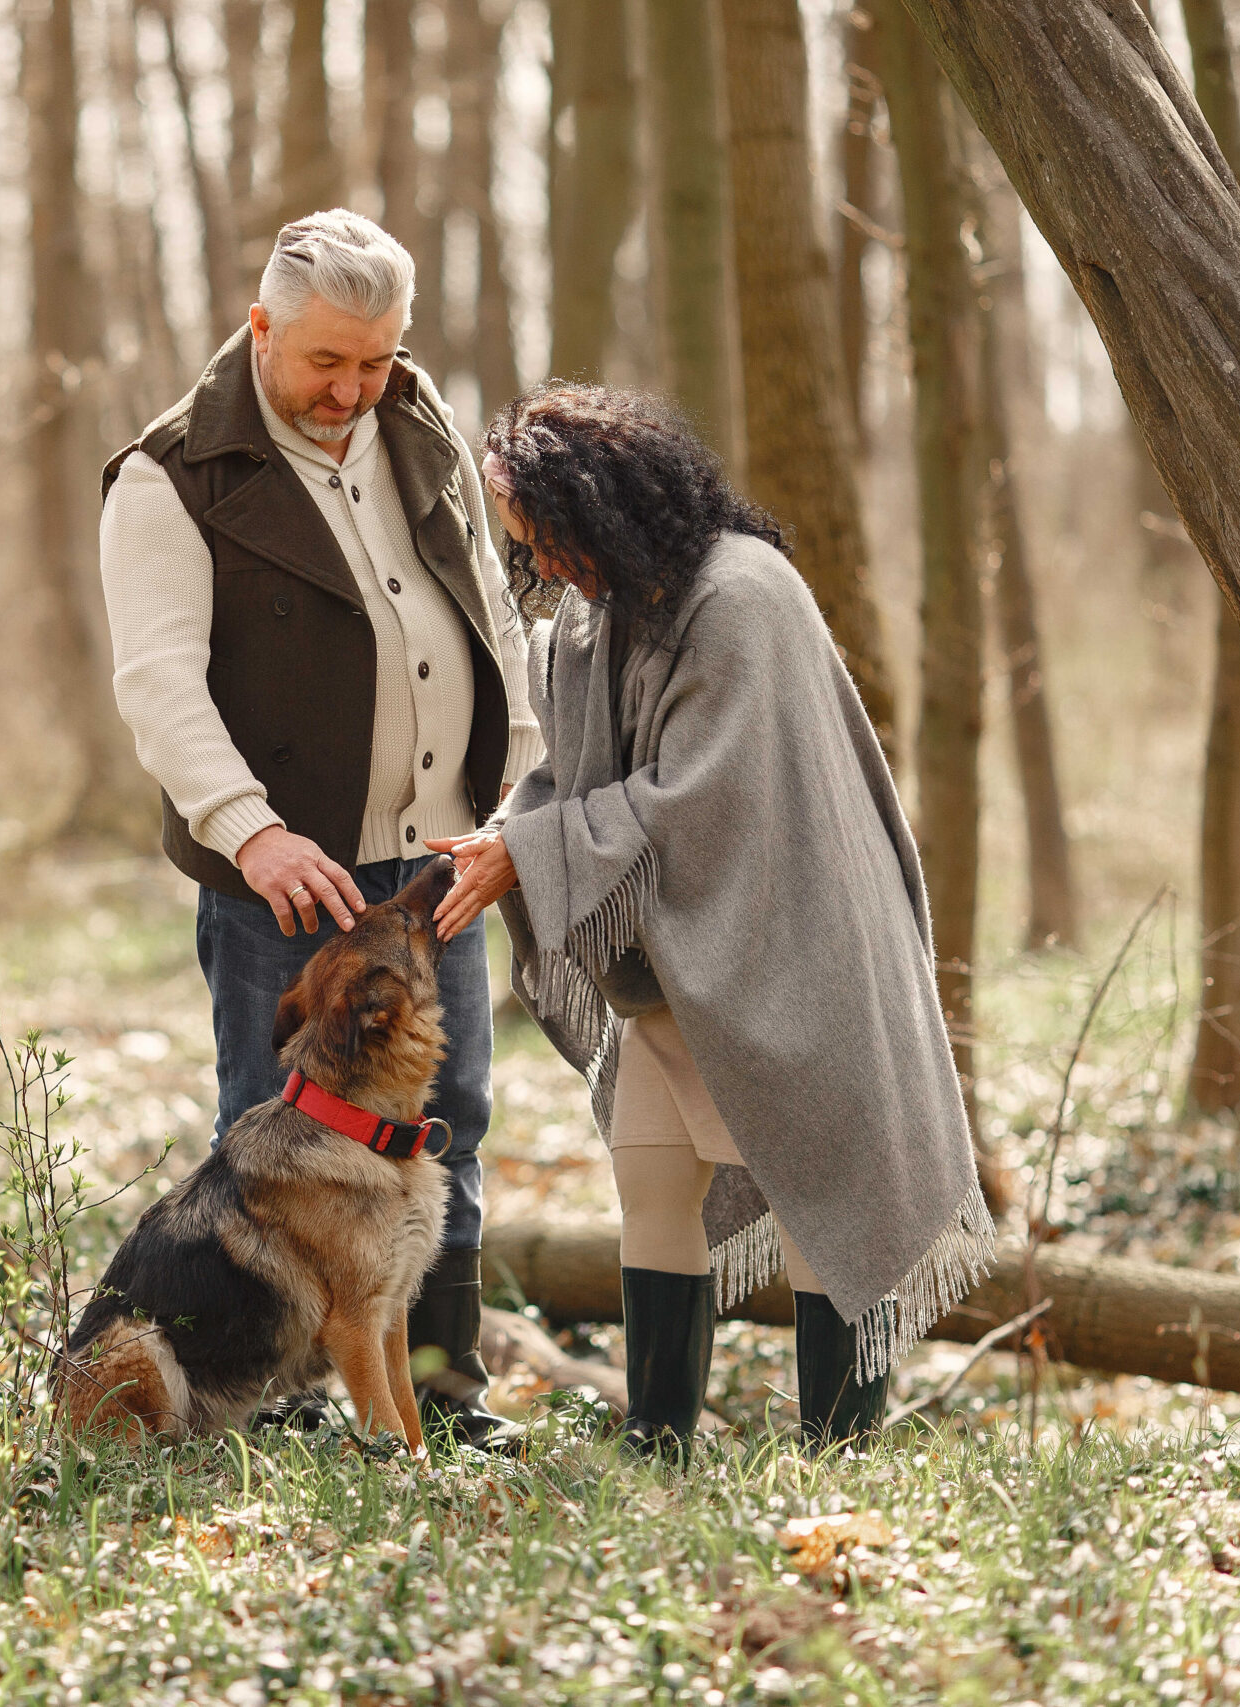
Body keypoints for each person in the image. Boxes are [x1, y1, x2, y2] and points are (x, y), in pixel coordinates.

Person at [431, 383, 997, 1465]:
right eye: (524, 548)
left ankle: (840, 1460)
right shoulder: (584, 625)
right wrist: (508, 839)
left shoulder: (743, 596)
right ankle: (660, 1452)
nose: (542, 567)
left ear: (608, 503)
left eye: (550, 538)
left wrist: (536, 853)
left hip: (802, 950)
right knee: (650, 1180)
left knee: (824, 1195)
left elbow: (705, 793)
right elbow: (564, 776)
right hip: (671, 967)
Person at [97, 210, 542, 1450]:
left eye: (376, 359)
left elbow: (489, 613)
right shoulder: (172, 474)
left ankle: (441, 1400)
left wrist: (515, 794)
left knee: (450, 1114)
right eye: (324, 363)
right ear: (260, 330)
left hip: (439, 859)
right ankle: (290, 1404)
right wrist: (249, 831)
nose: (351, 389)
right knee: (280, 1126)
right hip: (284, 879)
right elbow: (159, 683)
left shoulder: (418, 421)